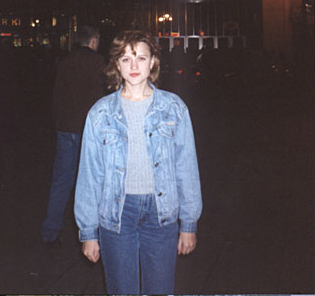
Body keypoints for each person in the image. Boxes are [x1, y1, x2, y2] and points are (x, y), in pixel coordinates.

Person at [74, 30, 202, 294]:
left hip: (161, 213)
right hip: (117, 214)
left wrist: (189, 223)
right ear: (116, 65)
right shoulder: (100, 113)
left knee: (160, 289)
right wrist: (88, 232)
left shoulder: (173, 108)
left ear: (153, 62)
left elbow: (186, 167)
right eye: (126, 59)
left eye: (141, 58)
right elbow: (90, 175)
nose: (134, 66)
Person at [41, 25, 106, 246]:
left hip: (65, 127)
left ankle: (50, 231)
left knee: (61, 180)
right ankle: (95, 231)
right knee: (95, 180)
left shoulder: (65, 61)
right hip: (88, 129)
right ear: (94, 40)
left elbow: (56, 95)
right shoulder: (98, 63)